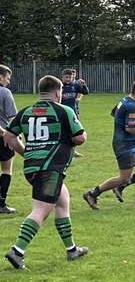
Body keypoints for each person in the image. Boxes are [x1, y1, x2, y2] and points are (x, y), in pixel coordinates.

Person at [3, 75, 89, 270]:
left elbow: (8, 136)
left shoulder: (25, 112)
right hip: (50, 168)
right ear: (58, 93)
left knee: (63, 200)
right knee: (41, 209)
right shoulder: (63, 110)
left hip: (33, 167)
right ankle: (17, 251)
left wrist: (25, 152)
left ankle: (71, 249)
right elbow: (80, 138)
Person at [82, 78, 135, 210]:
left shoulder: (124, 100)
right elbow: (130, 128)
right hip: (125, 145)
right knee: (123, 178)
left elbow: (114, 113)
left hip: (133, 143)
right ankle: (92, 193)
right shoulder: (133, 106)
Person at [0, 64, 18, 214]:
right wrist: (15, 137)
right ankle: (1, 204)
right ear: (1, 77)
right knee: (6, 169)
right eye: (7, 77)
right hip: (3, 137)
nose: (8, 81)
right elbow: (13, 118)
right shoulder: (5, 92)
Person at [61, 68, 88, 158]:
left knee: (74, 132)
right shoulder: (59, 86)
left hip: (73, 113)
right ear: (62, 77)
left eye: (70, 77)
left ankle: (73, 151)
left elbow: (85, 92)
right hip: (62, 113)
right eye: (66, 77)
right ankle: (61, 150)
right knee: (62, 132)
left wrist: (83, 85)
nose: (68, 79)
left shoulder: (75, 86)